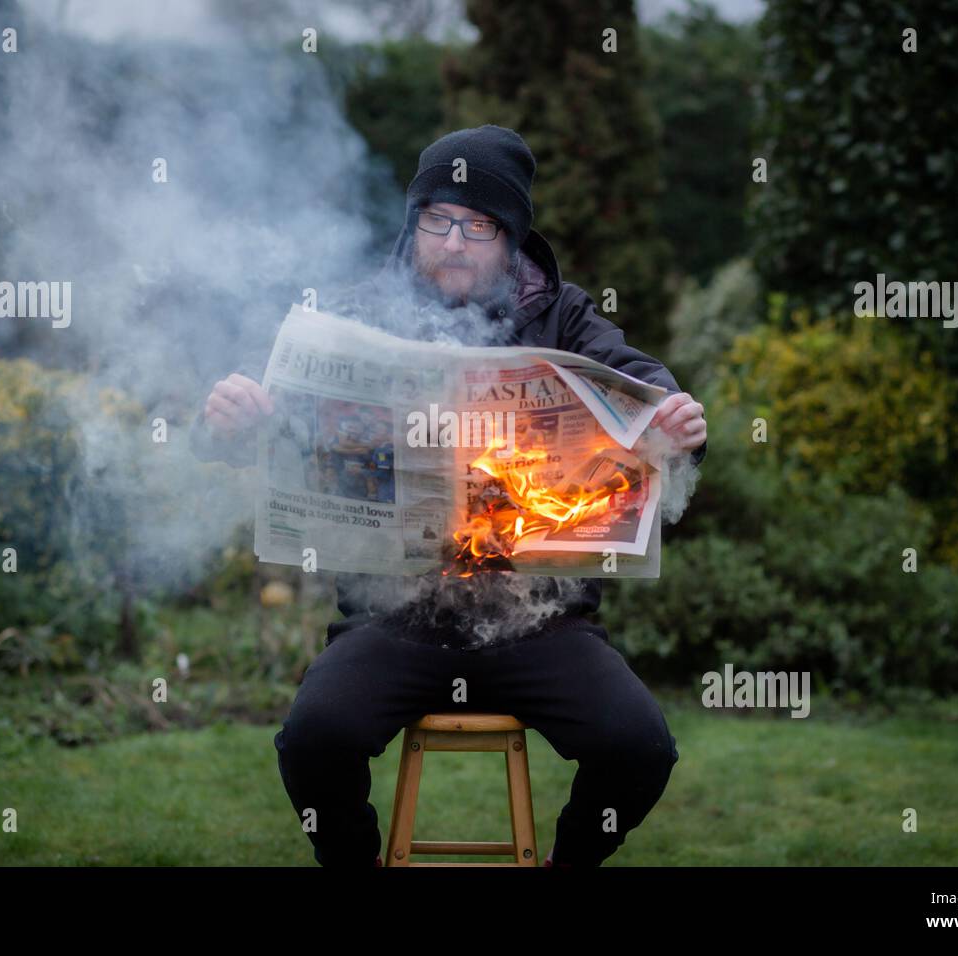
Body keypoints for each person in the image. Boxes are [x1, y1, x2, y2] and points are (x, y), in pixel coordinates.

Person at [190, 125, 707, 867]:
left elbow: (642, 385)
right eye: (438, 219)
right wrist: (232, 420)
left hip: (541, 625)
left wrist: (676, 418)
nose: (455, 240)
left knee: (639, 749)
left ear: (512, 237)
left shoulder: (564, 314)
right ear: (415, 224)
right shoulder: (356, 315)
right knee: (313, 742)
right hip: (396, 618)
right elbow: (254, 414)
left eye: (479, 224)